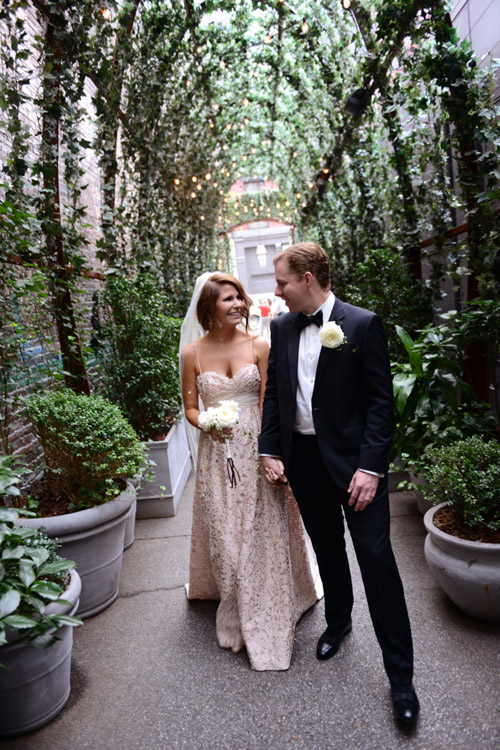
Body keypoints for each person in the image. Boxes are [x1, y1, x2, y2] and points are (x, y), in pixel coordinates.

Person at [259, 243, 419, 723]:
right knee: (327, 548)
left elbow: (380, 405)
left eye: (282, 281)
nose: (277, 289)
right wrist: (270, 449)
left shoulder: (362, 324)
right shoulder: (282, 326)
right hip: (304, 462)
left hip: (356, 467)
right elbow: (275, 397)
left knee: (376, 560)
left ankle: (402, 680)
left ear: (307, 278)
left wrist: (370, 468)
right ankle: (338, 622)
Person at [180, 272, 322, 671]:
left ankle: (268, 602)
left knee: (261, 528)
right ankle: (234, 597)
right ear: (208, 307)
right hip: (217, 453)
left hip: (257, 449)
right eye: (228, 299)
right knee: (226, 532)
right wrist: (206, 421)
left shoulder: (260, 345)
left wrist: (273, 454)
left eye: (239, 297)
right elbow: (190, 408)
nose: (239, 304)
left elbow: (269, 404)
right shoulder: (192, 353)